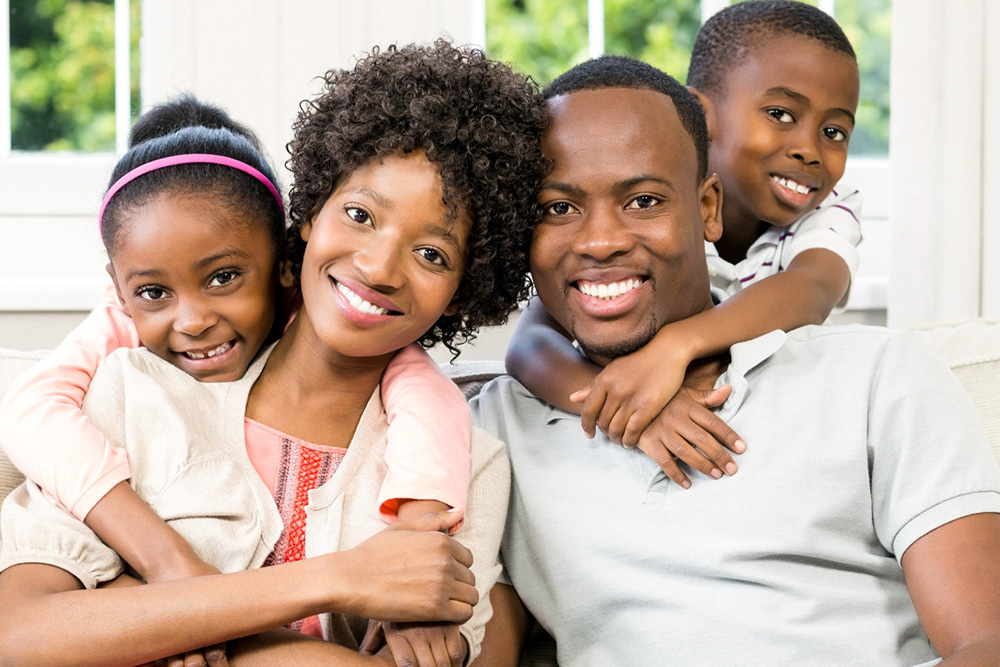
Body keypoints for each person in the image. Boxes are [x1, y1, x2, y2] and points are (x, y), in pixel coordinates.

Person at [0, 39, 547, 667]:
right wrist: (340, 578)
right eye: (361, 215)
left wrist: (156, 620)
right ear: (310, 213)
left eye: (432, 255)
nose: (378, 267)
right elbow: (19, 636)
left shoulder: (464, 466)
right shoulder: (129, 392)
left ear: (462, 292)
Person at [470, 56, 1000, 666]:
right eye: (558, 209)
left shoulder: (880, 377)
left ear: (709, 209)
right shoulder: (490, 435)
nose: (600, 240)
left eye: (642, 201)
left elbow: (984, 641)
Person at [504, 0, 863, 489]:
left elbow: (813, 289)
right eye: (780, 114)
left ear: (707, 209)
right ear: (704, 112)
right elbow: (528, 343)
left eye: (834, 131)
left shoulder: (828, 214)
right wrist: (628, 406)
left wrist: (677, 346)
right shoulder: (659, 213)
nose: (809, 149)